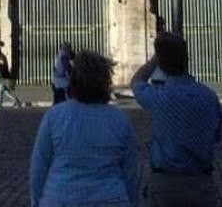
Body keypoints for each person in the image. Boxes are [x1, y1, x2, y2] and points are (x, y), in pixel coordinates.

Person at [29, 49, 140, 207]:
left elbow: (39, 169)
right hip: (110, 198)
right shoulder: (119, 119)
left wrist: (36, 201)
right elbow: (131, 171)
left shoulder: (55, 116)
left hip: (61, 197)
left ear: (73, 82)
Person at [132, 32, 222, 207]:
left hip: (166, 183)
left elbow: (137, 81)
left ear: (162, 64)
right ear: (187, 60)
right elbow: (216, 136)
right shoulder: (210, 97)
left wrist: (154, 60)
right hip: (201, 181)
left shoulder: (158, 97)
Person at [0, 41, 22, 109]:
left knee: (0, 90)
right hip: (3, 76)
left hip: (3, 76)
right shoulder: (0, 57)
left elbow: (2, 67)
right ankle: (16, 100)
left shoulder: (1, 57)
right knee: (5, 91)